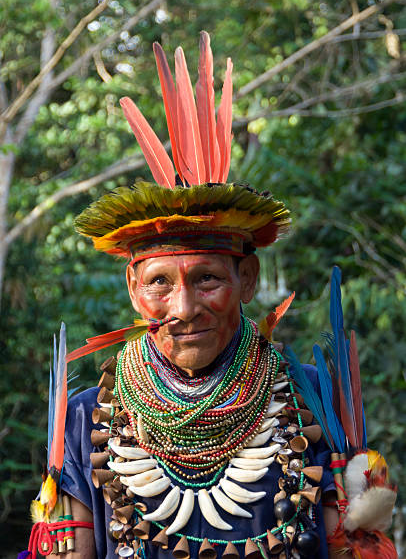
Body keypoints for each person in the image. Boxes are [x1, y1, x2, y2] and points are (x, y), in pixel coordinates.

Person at [24, 33, 396, 559]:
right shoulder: (87, 422)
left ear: (247, 279)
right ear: (133, 290)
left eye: (207, 279)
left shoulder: (315, 403)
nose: (183, 309)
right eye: (159, 282)